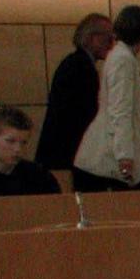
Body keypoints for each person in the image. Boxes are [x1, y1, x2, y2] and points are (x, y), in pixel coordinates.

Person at [74, 4, 140, 192]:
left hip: (116, 155)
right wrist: (124, 156)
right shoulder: (123, 60)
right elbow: (119, 109)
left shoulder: (124, 57)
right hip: (109, 160)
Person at [36, 13, 113, 171]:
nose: (112, 45)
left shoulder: (75, 63)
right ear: (94, 38)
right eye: (109, 39)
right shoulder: (81, 66)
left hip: (61, 151)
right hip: (68, 152)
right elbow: (86, 112)